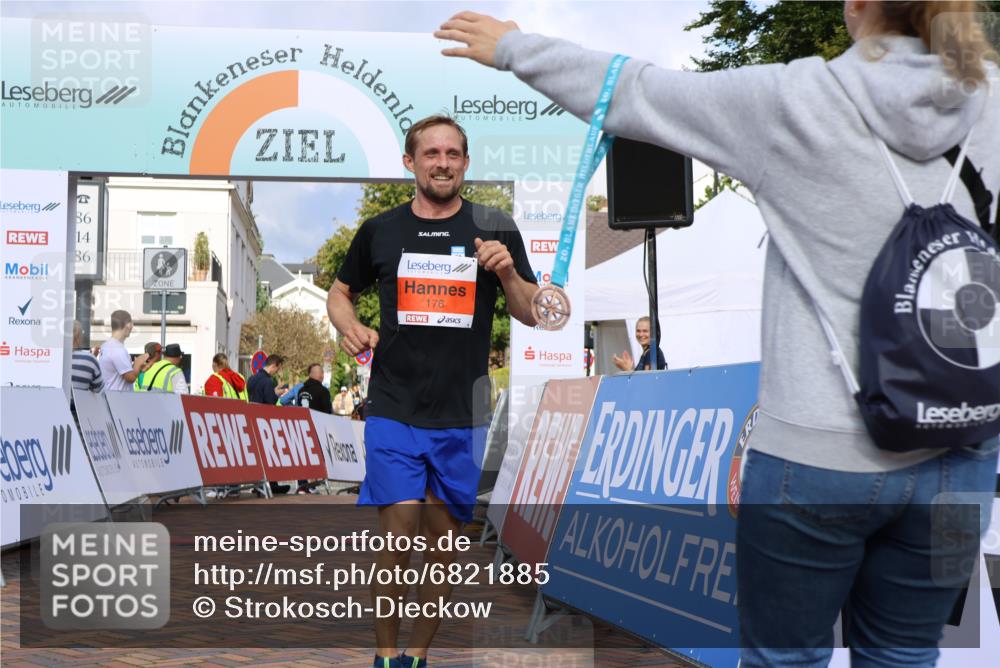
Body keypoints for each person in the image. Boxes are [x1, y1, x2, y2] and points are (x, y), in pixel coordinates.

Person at [437, 4, 999, 667]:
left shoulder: (798, 98)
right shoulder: (992, 102)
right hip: (960, 456)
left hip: (813, 458)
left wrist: (513, 48)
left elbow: (633, 91)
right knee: (907, 656)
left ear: (856, 6)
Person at [327, 115, 538, 668]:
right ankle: (385, 656)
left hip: (461, 413)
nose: (442, 162)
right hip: (394, 405)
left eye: (452, 153)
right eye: (431, 154)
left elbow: (531, 312)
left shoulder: (495, 224)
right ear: (410, 163)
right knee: (398, 534)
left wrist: (509, 272)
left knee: (443, 546)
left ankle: (416, 657)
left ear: (465, 163)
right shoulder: (381, 230)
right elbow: (339, 293)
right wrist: (348, 325)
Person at [247, 355, 290, 494]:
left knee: (258, 456)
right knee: (268, 455)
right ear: (274, 366)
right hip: (263, 421)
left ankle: (259, 484)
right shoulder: (267, 381)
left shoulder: (252, 378)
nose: (276, 372)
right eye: (277, 369)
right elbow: (270, 403)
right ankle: (270, 485)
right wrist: (276, 394)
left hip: (251, 419)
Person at [98, 310, 148, 392]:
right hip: (118, 400)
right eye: (131, 323)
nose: (132, 326)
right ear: (128, 325)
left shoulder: (106, 345)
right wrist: (138, 363)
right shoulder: (117, 349)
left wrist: (136, 367)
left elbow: (119, 373)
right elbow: (130, 378)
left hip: (110, 397)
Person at [70, 320, 103, 394]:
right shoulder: (90, 360)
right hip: (80, 405)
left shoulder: (54, 358)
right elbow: (98, 389)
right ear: (78, 338)